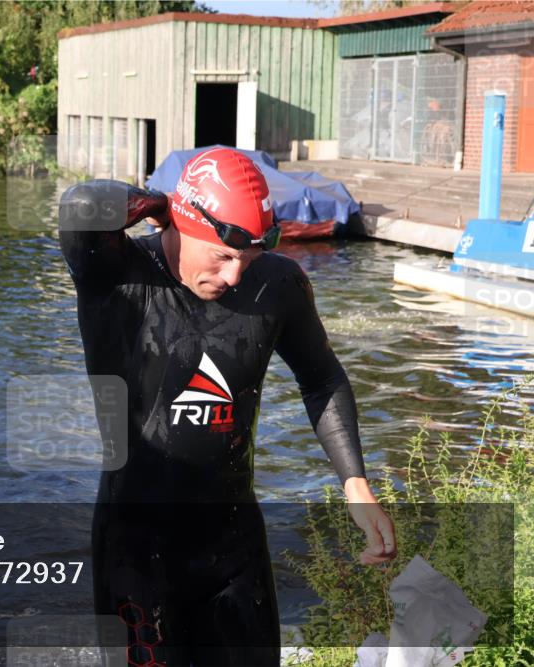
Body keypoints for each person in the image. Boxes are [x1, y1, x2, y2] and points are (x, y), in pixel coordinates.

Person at [58, 147, 396, 665]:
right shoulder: (116, 275)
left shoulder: (279, 284)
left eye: (249, 258)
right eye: (222, 255)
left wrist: (355, 483)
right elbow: (81, 206)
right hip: (137, 550)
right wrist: (159, 202)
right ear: (181, 221)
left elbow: (321, 375)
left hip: (232, 543)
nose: (237, 275)